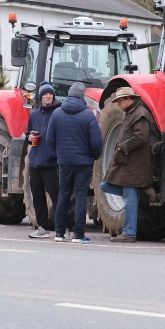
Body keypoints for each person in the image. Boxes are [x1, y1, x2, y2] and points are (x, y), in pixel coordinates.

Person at [47, 82, 102, 244]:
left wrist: (59, 155)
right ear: (82, 96)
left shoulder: (56, 114)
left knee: (63, 195)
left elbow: (50, 139)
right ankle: (78, 234)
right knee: (80, 196)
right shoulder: (87, 115)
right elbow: (96, 142)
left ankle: (59, 233)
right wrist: (94, 156)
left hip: (64, 162)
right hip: (83, 163)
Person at [100, 87, 156, 243]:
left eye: (119, 101)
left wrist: (123, 147)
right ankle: (142, 191)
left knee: (129, 199)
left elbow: (141, 137)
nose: (118, 104)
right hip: (129, 162)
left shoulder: (140, 114)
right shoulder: (133, 113)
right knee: (105, 186)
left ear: (127, 99)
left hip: (134, 163)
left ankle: (129, 233)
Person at [26, 82, 61, 239]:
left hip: (51, 162)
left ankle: (63, 228)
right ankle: (42, 227)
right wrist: (29, 137)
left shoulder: (58, 113)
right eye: (45, 94)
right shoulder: (33, 114)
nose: (48, 96)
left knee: (57, 197)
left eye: (50, 94)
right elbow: (28, 133)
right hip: (35, 162)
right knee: (37, 196)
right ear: (40, 97)